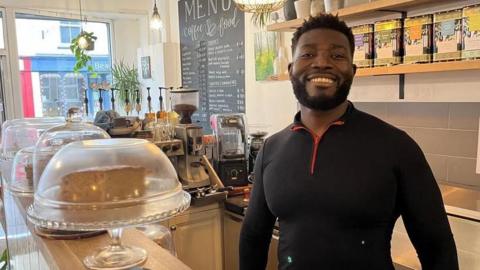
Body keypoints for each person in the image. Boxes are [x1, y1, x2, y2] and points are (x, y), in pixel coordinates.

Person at [239, 14, 458, 270]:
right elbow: (253, 237)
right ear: (291, 70)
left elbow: (437, 247)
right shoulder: (272, 149)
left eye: (337, 55)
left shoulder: (397, 147)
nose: (322, 63)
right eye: (307, 54)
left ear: (352, 71)